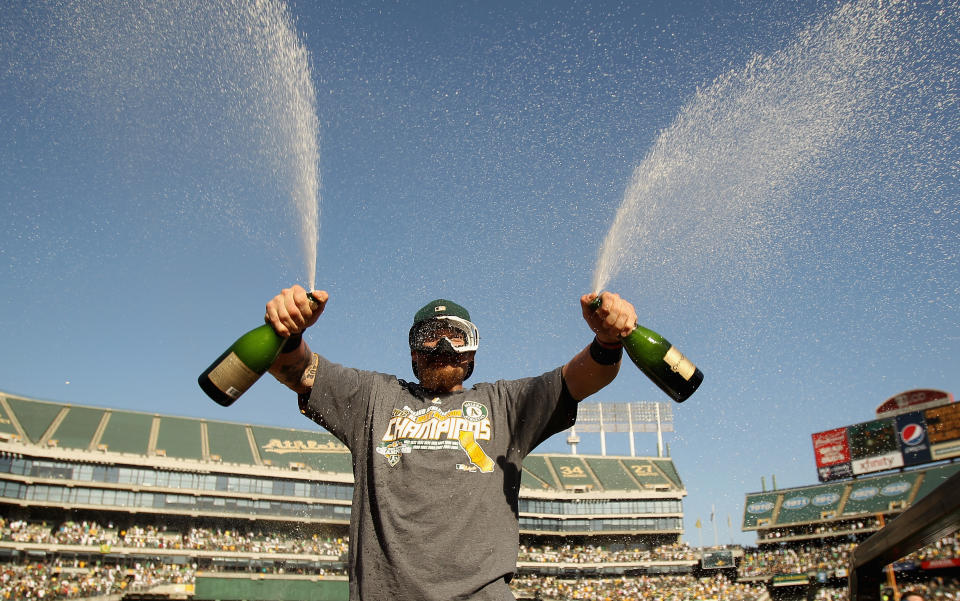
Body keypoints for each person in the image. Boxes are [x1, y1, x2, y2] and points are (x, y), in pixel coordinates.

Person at [264, 285, 637, 601]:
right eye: (431, 334)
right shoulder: (373, 398)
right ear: (413, 351)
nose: (443, 344)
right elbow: (296, 370)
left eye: (456, 335)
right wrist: (288, 330)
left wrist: (606, 339)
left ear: (473, 351)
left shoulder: (505, 405)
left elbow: (585, 378)